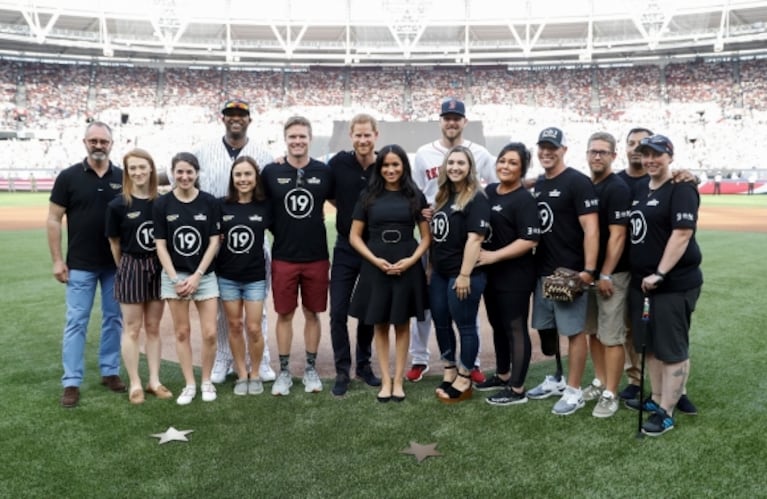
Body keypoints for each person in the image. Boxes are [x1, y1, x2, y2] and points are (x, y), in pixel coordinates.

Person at [408, 97, 496, 384]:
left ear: (464, 121)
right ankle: (422, 359)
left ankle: (469, 366)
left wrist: (465, 272)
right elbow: (419, 195)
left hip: (464, 253)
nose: (452, 122)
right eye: (447, 117)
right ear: (441, 121)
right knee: (432, 312)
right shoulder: (424, 155)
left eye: (456, 117)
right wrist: (422, 213)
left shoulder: (480, 154)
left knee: (465, 318)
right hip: (436, 245)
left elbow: (494, 188)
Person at [192, 98, 275, 384]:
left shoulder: (263, 154)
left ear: (249, 119)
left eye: (241, 114)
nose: (235, 118)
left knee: (257, 312)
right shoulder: (203, 150)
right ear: (223, 118)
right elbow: (182, 175)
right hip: (216, 243)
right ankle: (224, 359)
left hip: (254, 243)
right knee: (223, 313)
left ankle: (260, 361)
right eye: (230, 114)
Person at [617, 127, 698, 415]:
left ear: (670, 157)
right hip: (643, 283)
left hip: (671, 283)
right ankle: (658, 396)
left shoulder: (682, 187)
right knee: (649, 347)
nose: (650, 159)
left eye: (657, 155)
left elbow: (682, 234)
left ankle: (666, 412)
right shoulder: (640, 188)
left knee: (671, 348)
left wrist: (660, 273)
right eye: (646, 154)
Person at [48, 121, 125, 408]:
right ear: (84, 143)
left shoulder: (123, 176)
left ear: (111, 144)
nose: (98, 146)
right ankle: (71, 381)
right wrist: (57, 260)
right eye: (93, 141)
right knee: (76, 322)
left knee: (113, 319)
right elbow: (54, 218)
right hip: (80, 264)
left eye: (103, 142)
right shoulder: (69, 177)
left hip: (115, 265)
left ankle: (110, 370)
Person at [348, 144, 431, 402]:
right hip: (376, 266)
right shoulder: (368, 196)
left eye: (396, 164)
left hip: (407, 265)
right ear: (379, 167)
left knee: (402, 324)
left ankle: (398, 381)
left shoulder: (415, 195)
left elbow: (426, 238)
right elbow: (354, 236)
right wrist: (374, 260)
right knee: (380, 325)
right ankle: (385, 380)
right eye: (386, 165)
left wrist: (411, 261)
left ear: (404, 166)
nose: (391, 169)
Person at [527, 127, 599, 417]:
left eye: (552, 147)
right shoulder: (541, 183)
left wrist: (589, 270)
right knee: (549, 329)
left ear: (563, 150)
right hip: (543, 270)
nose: (547, 152)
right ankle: (557, 378)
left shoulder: (578, 182)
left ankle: (574, 390)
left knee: (574, 332)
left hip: (570, 272)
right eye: (542, 147)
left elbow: (591, 228)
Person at [261, 116, 334, 396]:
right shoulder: (271, 172)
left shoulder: (324, 172)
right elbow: (259, 203)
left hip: (316, 256)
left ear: (310, 138)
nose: (297, 141)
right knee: (284, 314)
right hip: (284, 256)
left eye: (302, 136)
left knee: (313, 313)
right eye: (292, 137)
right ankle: (284, 372)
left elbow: (340, 202)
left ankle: (311, 369)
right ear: (285, 139)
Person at [154, 152, 221, 405]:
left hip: (204, 276)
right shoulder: (162, 204)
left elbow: (214, 242)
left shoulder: (209, 202)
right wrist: (174, 278)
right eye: (179, 172)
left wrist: (197, 275)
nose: (184, 176)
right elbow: (160, 245)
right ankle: (189, 384)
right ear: (172, 173)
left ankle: (206, 381)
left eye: (189, 172)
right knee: (182, 332)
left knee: (210, 333)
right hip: (174, 278)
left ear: (196, 173)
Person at [105, 148, 171, 404]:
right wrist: (124, 268)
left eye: (142, 167)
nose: (138, 172)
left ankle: (154, 380)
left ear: (151, 169)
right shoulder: (118, 204)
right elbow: (114, 243)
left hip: (158, 266)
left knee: (154, 327)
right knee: (132, 329)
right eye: (132, 168)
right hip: (131, 265)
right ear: (127, 172)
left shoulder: (161, 202)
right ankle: (135, 383)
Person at [476, 142, 540, 406]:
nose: (505, 166)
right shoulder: (490, 191)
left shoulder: (524, 199)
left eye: (513, 163)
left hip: (516, 274)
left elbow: (529, 240)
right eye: (503, 160)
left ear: (522, 169)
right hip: (492, 273)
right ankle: (503, 375)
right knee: (498, 325)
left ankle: (517, 389)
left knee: (515, 328)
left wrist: (494, 255)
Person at [430, 145, 491, 404]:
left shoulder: (476, 197)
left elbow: (475, 239)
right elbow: (439, 236)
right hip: (440, 274)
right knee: (441, 323)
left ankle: (465, 376)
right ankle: (450, 369)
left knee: (465, 326)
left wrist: (464, 275)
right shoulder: (443, 196)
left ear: (470, 168)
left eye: (461, 163)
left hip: (463, 274)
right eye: (451, 162)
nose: (455, 167)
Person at [328, 113, 382, 396]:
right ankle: (341, 370)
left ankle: (364, 365)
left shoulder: (384, 165)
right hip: (345, 247)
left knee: (368, 311)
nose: (363, 140)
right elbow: (327, 192)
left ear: (376, 135)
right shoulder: (338, 163)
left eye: (367, 135)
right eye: (358, 135)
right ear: (351, 137)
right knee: (337, 310)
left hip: (373, 249)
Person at [581, 132, 631, 418]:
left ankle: (612, 391)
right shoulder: (587, 185)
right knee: (594, 333)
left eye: (603, 152)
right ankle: (600, 382)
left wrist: (607, 273)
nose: (597, 156)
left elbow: (618, 235)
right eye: (593, 151)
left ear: (613, 156)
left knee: (611, 336)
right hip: (590, 274)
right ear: (586, 154)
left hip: (612, 274)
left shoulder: (617, 188)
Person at [216, 156, 272, 396]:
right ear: (232, 178)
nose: (243, 179)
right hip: (227, 276)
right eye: (238, 175)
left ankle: (256, 372)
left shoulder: (265, 206)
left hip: (255, 278)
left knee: (254, 327)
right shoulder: (221, 205)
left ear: (255, 177)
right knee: (235, 326)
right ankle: (241, 374)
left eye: (248, 174)